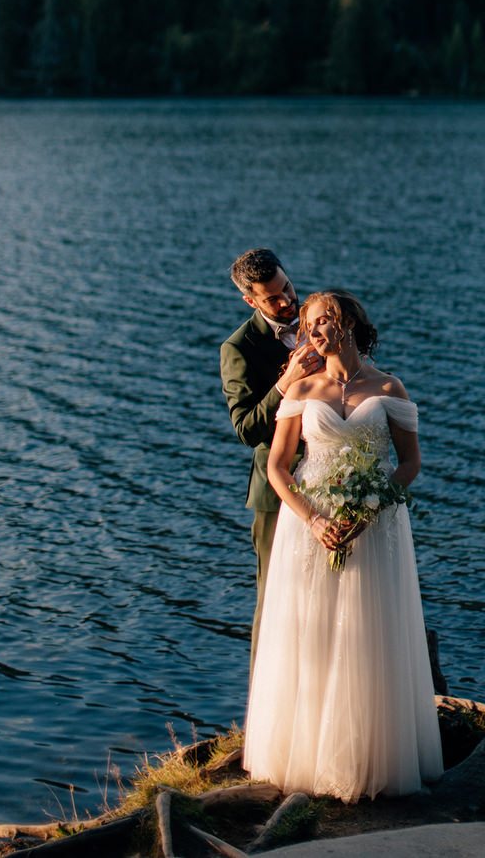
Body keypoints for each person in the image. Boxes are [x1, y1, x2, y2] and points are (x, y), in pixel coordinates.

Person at [243, 290, 443, 802]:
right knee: (311, 631)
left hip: (376, 525)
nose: (316, 328)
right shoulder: (302, 386)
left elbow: (409, 463)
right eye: (310, 322)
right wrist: (312, 521)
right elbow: (277, 468)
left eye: (325, 318)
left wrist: (373, 506)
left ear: (350, 322)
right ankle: (306, 759)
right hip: (312, 526)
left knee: (368, 631)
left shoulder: (388, 386)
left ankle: (369, 757)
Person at [220, 248, 322, 666]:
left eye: (287, 288)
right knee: (276, 596)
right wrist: (286, 383)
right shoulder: (238, 348)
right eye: (273, 298)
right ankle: (264, 709)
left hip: (335, 473)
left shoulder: (320, 319)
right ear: (250, 301)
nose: (286, 302)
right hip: (277, 492)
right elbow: (246, 430)